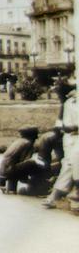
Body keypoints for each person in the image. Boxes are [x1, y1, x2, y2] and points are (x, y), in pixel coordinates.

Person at [43, 80, 79, 210]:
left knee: (72, 162)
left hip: (74, 139)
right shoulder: (68, 103)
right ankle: (59, 196)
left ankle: (57, 196)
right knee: (69, 163)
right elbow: (59, 125)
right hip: (70, 139)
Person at [0, 126, 39, 194]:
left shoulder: (18, 141)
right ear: (32, 135)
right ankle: (36, 184)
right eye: (36, 134)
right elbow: (24, 160)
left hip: (2, 170)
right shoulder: (28, 143)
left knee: (15, 165)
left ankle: (11, 187)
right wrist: (26, 177)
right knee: (32, 163)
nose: (37, 137)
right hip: (10, 171)